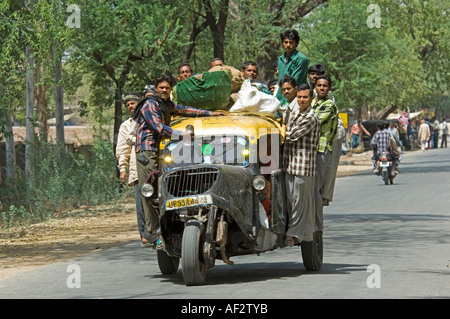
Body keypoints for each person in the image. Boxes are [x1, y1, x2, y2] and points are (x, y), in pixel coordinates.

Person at [130, 75, 225, 248]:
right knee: (149, 191)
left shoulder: (165, 104)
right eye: (161, 88)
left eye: (167, 88)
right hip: (147, 151)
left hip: (159, 150)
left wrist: (210, 113)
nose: (164, 90)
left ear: (171, 89)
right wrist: (182, 135)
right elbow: (159, 127)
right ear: (156, 89)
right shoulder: (151, 104)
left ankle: (165, 227)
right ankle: (153, 232)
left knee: (163, 188)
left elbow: (185, 110)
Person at [283, 83, 320, 246]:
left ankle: (292, 234)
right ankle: (304, 236)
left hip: (304, 166)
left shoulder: (311, 116)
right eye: (299, 97)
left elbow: (291, 135)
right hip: (290, 163)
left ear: (311, 98)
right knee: (291, 201)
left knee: (300, 203)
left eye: (305, 97)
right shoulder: (296, 112)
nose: (302, 100)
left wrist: (278, 131)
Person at [116, 93, 151, 246]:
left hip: (157, 164)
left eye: (133, 103)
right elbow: (123, 149)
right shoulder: (126, 126)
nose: (130, 106)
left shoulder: (152, 117)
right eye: (128, 105)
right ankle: (145, 233)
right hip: (137, 168)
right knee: (141, 203)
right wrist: (122, 168)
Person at [311, 75, 338, 234]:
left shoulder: (329, 105)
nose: (321, 88)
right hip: (311, 150)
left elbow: (314, 122)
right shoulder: (314, 103)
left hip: (321, 151)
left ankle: (317, 228)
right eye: (319, 85)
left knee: (315, 189)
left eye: (325, 86)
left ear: (329, 88)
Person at [276, 29, 309, 103]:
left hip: (296, 100)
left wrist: (284, 102)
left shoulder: (301, 59)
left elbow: (295, 82)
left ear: (296, 44)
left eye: (291, 42)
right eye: (286, 42)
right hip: (281, 98)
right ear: (282, 43)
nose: (288, 45)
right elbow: (280, 82)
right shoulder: (280, 59)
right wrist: (277, 100)